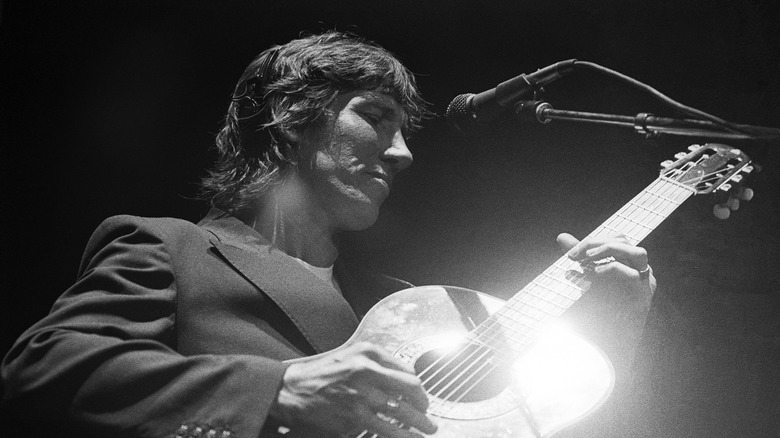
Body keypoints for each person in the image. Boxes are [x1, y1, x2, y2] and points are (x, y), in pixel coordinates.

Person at [1, 31, 655, 438]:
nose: (402, 153)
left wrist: (621, 318)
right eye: (375, 117)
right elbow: (38, 372)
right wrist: (277, 390)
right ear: (292, 117)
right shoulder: (172, 248)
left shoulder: (406, 304)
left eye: (404, 132)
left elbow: (535, 423)